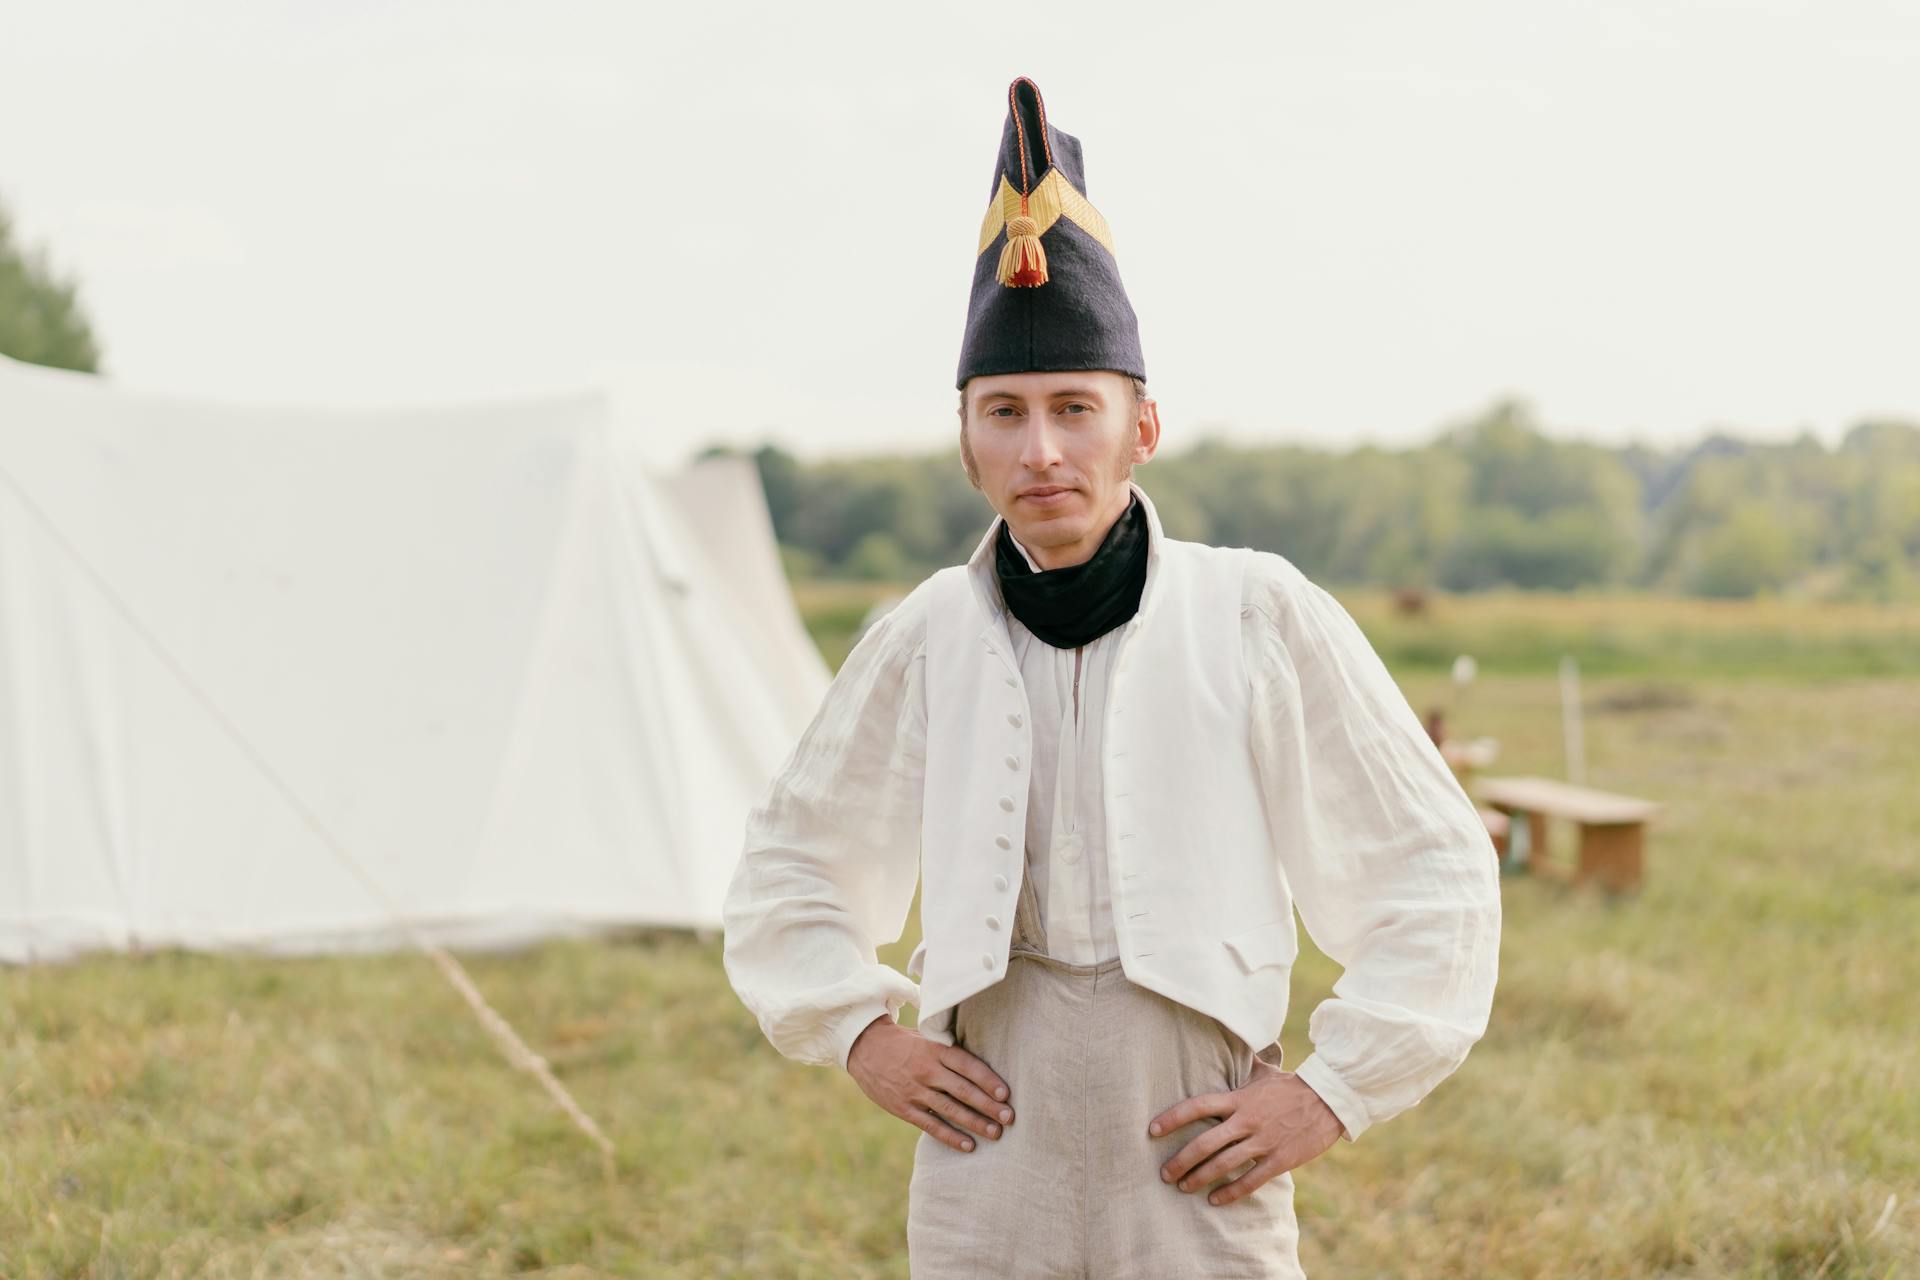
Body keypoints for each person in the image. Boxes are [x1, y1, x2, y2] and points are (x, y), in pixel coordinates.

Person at [722, 76, 1502, 1279]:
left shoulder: (1256, 611)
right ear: (967, 440)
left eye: (1076, 408)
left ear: (1142, 426)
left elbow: (1434, 869)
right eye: (1007, 411)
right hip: (994, 1130)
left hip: (1192, 1127)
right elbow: (790, 863)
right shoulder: (925, 631)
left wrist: (1333, 1092)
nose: (1042, 449)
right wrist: (862, 1035)